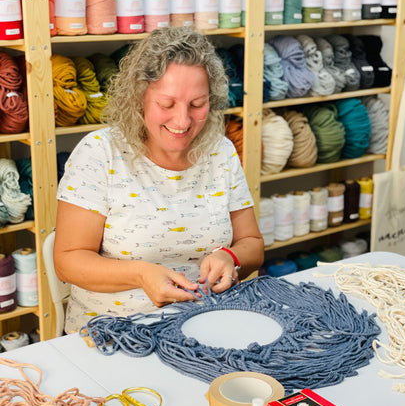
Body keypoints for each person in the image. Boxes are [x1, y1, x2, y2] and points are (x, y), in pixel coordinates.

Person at [54, 27, 264, 333]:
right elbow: (67, 261)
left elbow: (253, 246)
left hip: (203, 326)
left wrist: (229, 257)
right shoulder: (100, 152)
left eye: (197, 105)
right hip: (114, 334)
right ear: (139, 97)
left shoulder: (221, 152)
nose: (182, 121)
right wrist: (140, 275)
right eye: (166, 105)